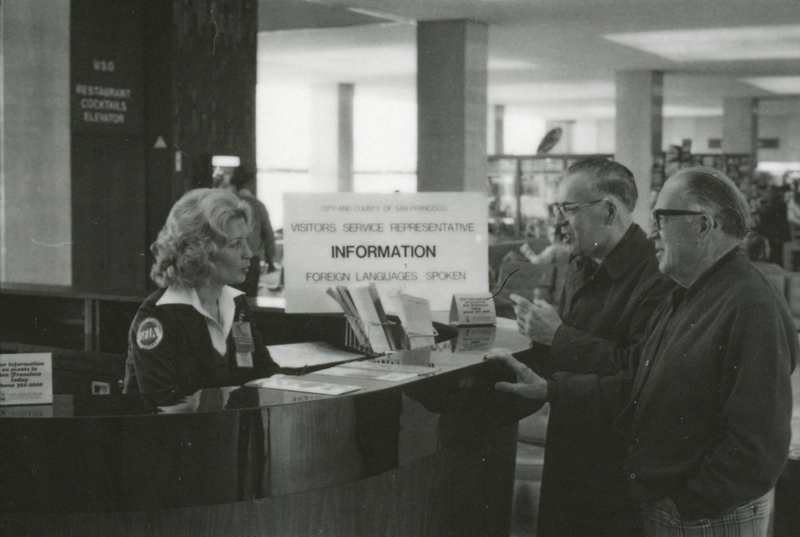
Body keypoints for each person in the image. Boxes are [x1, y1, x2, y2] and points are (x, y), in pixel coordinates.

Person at [489, 167, 797, 537]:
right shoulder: (687, 295)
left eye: (662, 218)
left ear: (703, 226)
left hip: (704, 515)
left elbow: (758, 447)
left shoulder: (750, 305)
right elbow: (643, 385)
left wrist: (689, 504)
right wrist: (551, 390)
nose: (652, 231)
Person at [503, 157, 675, 537]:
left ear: (610, 210)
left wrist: (558, 336)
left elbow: (640, 372)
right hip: (570, 447)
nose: (559, 222)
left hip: (613, 465)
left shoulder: (657, 278)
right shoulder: (583, 263)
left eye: (569, 209)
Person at [123, 188, 280, 395]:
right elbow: (163, 406)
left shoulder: (236, 305)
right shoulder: (157, 316)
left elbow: (261, 370)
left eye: (247, 241)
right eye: (235, 244)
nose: (248, 253)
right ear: (201, 251)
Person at [229, 167, 277, 297]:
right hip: (251, 258)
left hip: (228, 257)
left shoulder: (228, 203)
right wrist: (270, 259)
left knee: (230, 296)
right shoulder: (258, 205)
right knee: (249, 297)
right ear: (251, 183)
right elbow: (268, 235)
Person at [742, 231, 788, 297]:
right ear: (762, 250)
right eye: (767, 247)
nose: (770, 249)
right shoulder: (776, 269)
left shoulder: (744, 268)